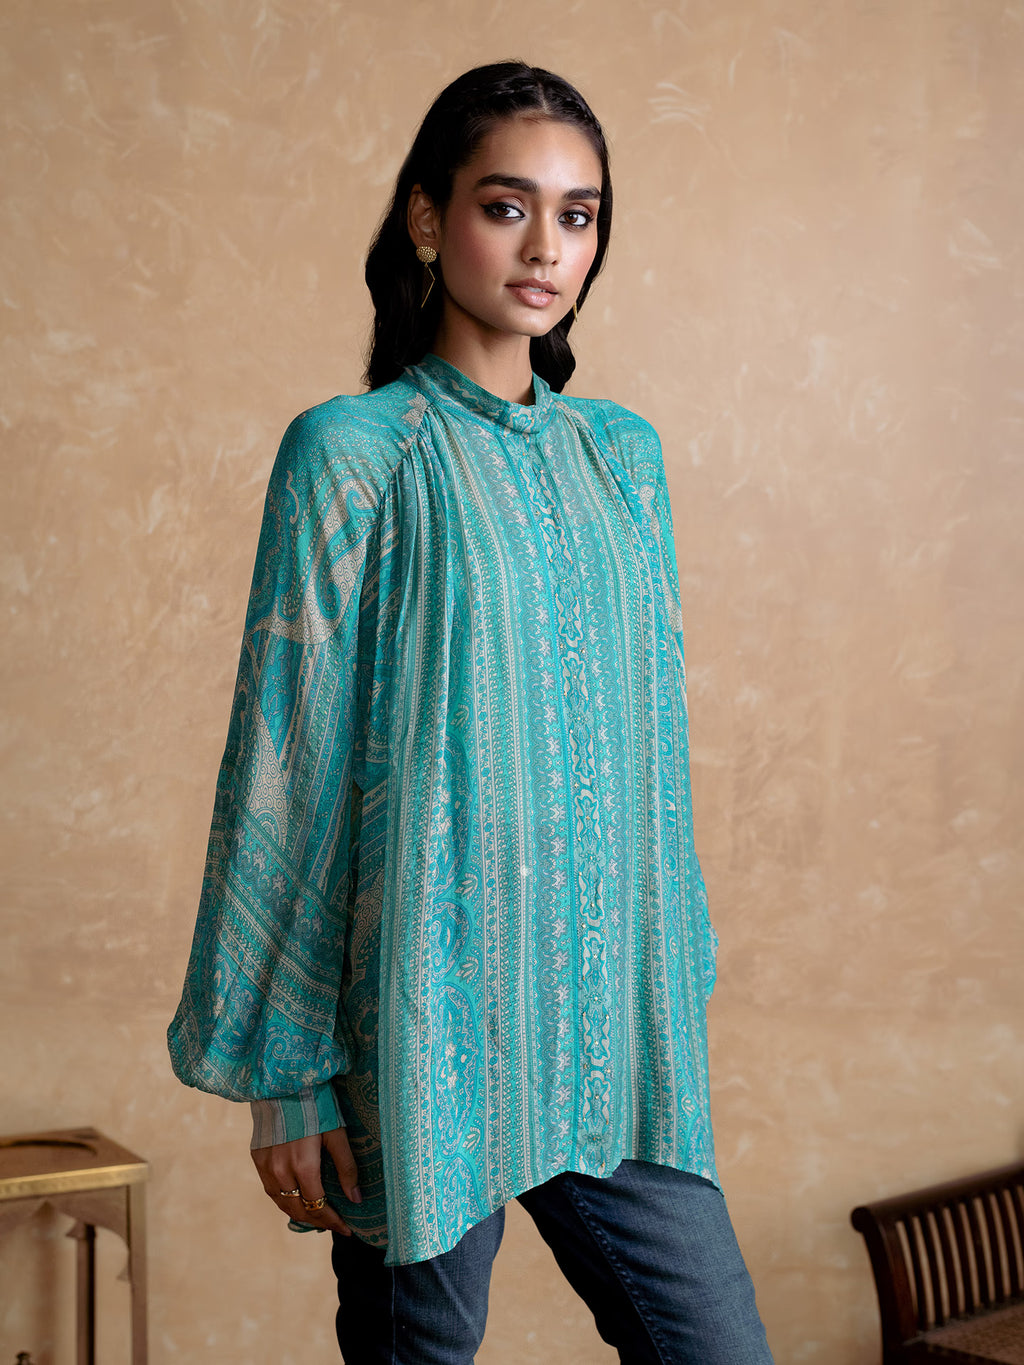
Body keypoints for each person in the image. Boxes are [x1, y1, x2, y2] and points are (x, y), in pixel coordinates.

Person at [168, 59, 774, 1365]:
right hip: (417, 1032)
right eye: (509, 206)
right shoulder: (355, 451)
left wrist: (668, 970)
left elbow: (654, 747)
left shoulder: (624, 457)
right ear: (430, 220)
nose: (548, 246)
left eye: (580, 213)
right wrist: (289, 1070)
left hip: (609, 1028)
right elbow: (289, 756)